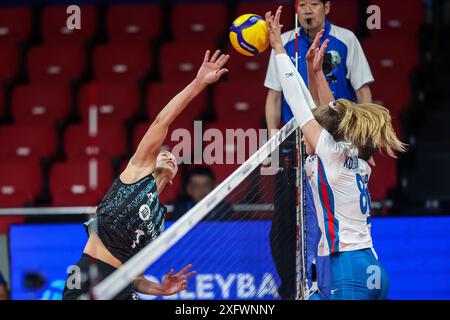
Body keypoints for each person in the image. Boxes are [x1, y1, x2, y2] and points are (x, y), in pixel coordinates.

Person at [62, 49, 230, 300]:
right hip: (89, 275)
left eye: (172, 156)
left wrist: (160, 289)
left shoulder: (159, 221)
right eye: (162, 154)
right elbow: (161, 122)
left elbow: (135, 276)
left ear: (174, 178)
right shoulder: (137, 174)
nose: (168, 155)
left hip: (122, 288)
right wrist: (197, 84)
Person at [266, 6, 405, 299]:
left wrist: (279, 48)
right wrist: (316, 73)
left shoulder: (329, 152)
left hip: (347, 268)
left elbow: (297, 100)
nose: (305, 136)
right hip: (370, 265)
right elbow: (331, 112)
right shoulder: (357, 154)